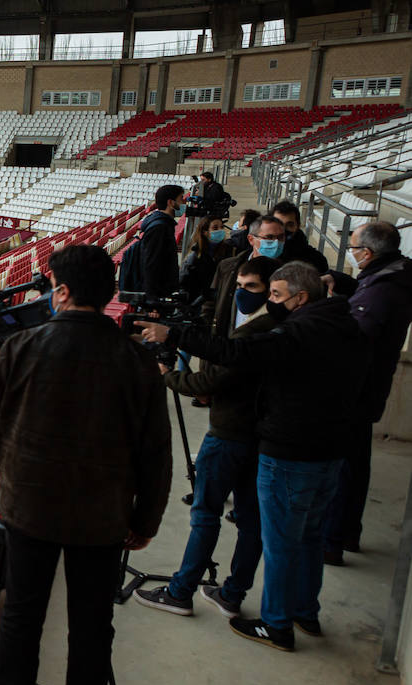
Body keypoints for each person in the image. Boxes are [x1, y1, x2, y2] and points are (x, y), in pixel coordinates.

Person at [0, 245, 171, 685]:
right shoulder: (137, 362)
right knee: (91, 625)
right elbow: (155, 454)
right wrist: (145, 519)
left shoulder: (24, 346)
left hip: (29, 511)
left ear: (61, 291)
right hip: (102, 518)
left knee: (21, 621)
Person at [139, 262, 368, 651]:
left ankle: (277, 624)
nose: (270, 302)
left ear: (300, 298)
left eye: (276, 295)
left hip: (290, 450)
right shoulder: (345, 327)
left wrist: (174, 334)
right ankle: (303, 612)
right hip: (330, 450)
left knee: (278, 540)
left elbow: (233, 353)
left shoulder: (297, 332)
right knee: (309, 537)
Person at [133, 256, 280, 619]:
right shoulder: (276, 326)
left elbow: (208, 383)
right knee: (250, 519)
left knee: (205, 513)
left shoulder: (254, 332)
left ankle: (181, 591)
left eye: (254, 287)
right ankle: (232, 593)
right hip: (259, 436)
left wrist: (167, 374)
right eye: (241, 286)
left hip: (230, 433)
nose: (244, 293)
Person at [322, 221, 412, 564]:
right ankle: (345, 534)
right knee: (355, 463)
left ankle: (331, 540)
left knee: (342, 468)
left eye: (354, 247)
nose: (351, 252)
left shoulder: (384, 289)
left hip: (355, 391)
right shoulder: (391, 276)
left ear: (369, 253)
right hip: (366, 389)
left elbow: (357, 338)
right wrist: (345, 283)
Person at [202, 214, 286, 334]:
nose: (276, 243)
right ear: (251, 239)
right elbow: (212, 301)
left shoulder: (288, 274)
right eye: (269, 237)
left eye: (281, 237)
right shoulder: (227, 267)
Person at [138, 184, 186, 298]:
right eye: (181, 199)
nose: (184, 203)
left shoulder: (164, 224)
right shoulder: (159, 228)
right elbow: (151, 265)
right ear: (170, 202)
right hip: (158, 296)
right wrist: (152, 302)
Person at [180, 215, 238, 303]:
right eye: (215, 228)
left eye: (222, 227)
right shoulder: (195, 255)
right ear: (205, 232)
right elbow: (184, 283)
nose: (220, 230)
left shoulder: (229, 251)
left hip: (220, 300)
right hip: (199, 302)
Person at [272, 200, 330, 273]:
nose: (283, 230)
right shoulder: (260, 252)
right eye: (279, 224)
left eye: (289, 225)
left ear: (298, 225)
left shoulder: (316, 260)